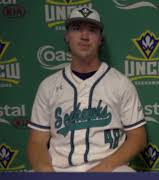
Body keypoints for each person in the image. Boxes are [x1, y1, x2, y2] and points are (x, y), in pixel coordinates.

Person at [27, 7, 146, 172]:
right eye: (76, 29)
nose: (84, 36)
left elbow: (138, 137)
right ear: (67, 36)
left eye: (92, 30)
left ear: (100, 39)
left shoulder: (120, 83)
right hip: (58, 169)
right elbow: (37, 140)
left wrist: (104, 168)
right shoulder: (48, 85)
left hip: (108, 169)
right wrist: (46, 171)